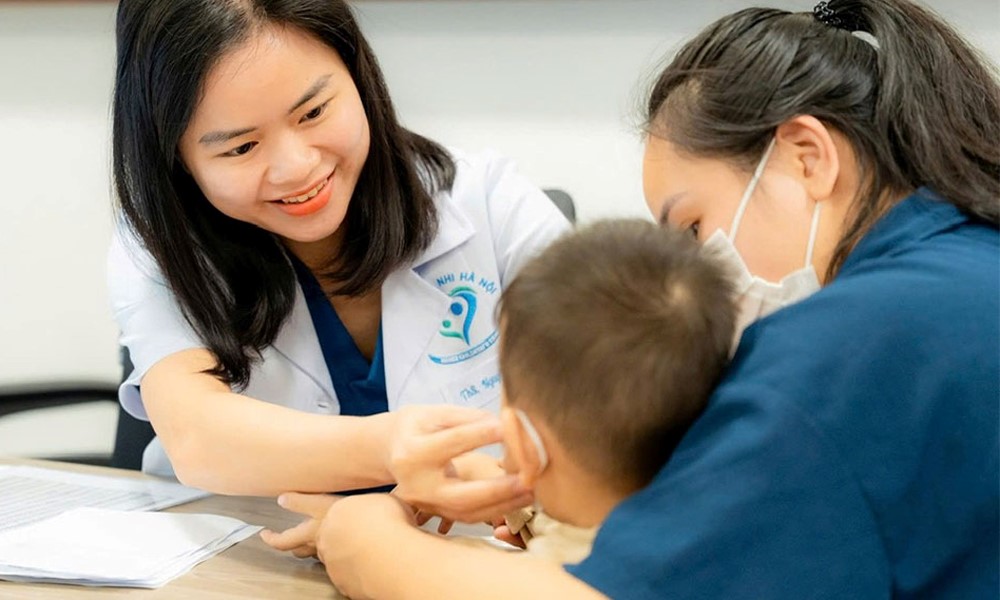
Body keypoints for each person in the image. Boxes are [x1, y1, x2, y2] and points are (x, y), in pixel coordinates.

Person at [307, 1, 1000, 598]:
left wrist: (366, 542)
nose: (696, 269)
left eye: (691, 226)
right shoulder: (963, 268)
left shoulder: (849, 343)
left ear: (807, 155)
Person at [106, 0, 569, 504]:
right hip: (241, 545)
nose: (296, 168)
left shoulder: (490, 202)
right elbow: (199, 439)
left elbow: (605, 398)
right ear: (177, 160)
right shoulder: (160, 250)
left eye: (313, 112)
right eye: (241, 148)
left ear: (357, 74)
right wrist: (395, 452)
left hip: (469, 546)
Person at [266, 219, 736, 568]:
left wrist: (359, 526)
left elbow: (378, 557)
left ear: (522, 441)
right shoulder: (694, 522)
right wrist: (499, 486)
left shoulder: (549, 578)